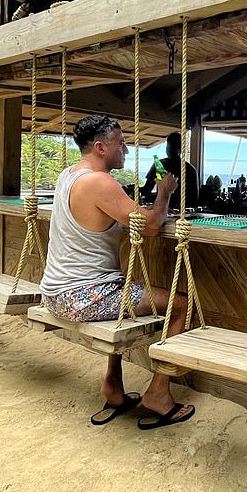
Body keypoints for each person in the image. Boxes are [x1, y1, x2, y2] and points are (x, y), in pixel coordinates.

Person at [39, 114, 195, 429]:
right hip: (83, 297)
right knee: (181, 304)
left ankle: (113, 386)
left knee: (122, 288)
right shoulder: (100, 182)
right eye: (120, 143)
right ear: (100, 147)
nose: (126, 148)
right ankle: (159, 394)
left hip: (55, 293)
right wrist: (165, 191)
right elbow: (150, 226)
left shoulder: (68, 175)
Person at [139, 131, 199, 210]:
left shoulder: (160, 165)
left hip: (164, 209)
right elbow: (194, 200)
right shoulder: (190, 169)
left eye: (170, 147)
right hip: (181, 211)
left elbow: (146, 191)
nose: (169, 149)